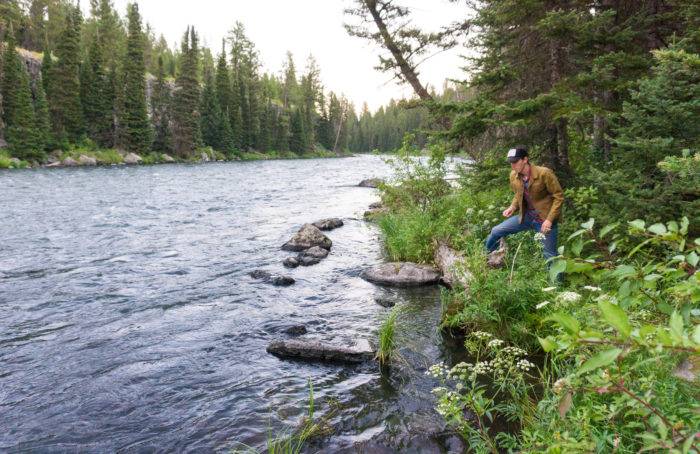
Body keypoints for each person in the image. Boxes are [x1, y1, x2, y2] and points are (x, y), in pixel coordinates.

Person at [485, 145, 564, 264]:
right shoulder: (513, 175)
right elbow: (518, 194)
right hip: (526, 217)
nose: (512, 165)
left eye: (515, 162)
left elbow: (559, 197)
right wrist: (513, 206)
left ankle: (557, 282)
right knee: (496, 231)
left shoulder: (544, 173)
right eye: (510, 162)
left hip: (545, 220)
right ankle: (491, 259)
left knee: (550, 256)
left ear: (525, 159)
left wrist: (550, 220)